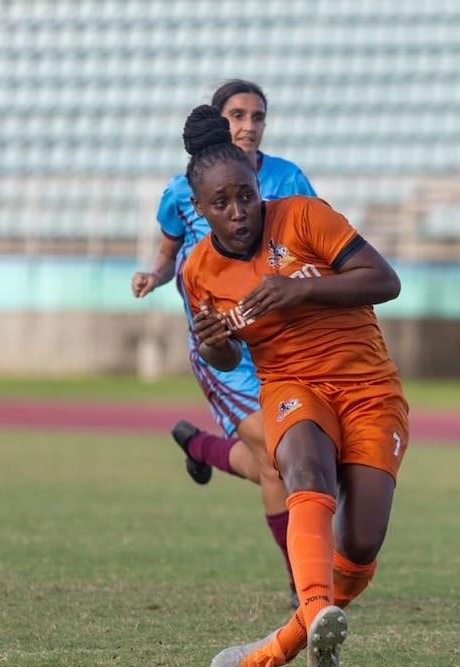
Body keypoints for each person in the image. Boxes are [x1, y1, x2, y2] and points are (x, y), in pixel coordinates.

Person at [177, 104, 409, 667]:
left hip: (368, 387)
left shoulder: (305, 216)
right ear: (200, 210)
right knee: (303, 467)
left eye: (246, 196)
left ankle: (290, 637)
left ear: (260, 189)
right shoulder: (199, 271)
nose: (238, 212)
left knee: (361, 539)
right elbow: (229, 353)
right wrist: (212, 347)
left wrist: (297, 292)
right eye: (221, 204)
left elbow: (386, 281)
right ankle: (299, 626)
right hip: (292, 386)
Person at [131, 80, 317, 607]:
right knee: (278, 459)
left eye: (258, 116)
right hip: (224, 352)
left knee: (285, 459)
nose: (249, 125)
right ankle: (303, 583)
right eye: (237, 114)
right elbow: (170, 255)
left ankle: (200, 447)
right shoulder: (180, 191)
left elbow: (314, 242)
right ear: (218, 122)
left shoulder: (289, 179)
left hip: (282, 340)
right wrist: (155, 275)